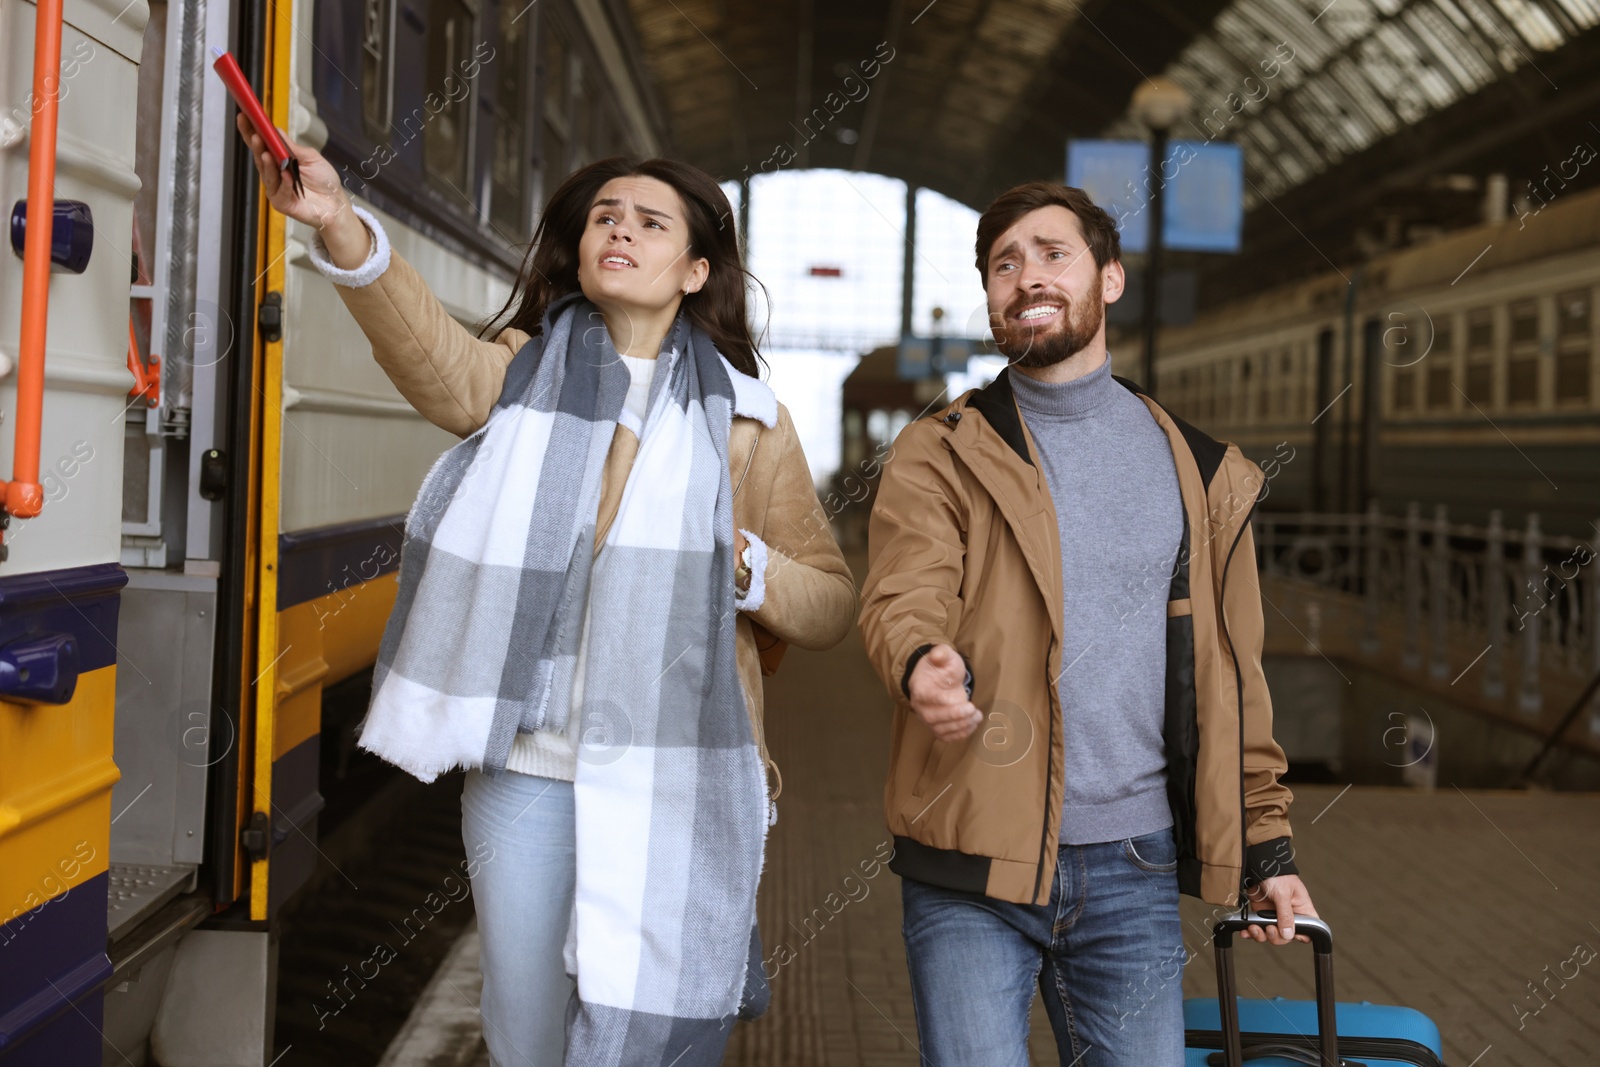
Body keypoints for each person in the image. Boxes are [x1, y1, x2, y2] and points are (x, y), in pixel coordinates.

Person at [236, 117, 856, 1067]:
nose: (621, 229)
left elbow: (830, 602)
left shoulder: (749, 421)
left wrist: (750, 569)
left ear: (696, 270)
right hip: (530, 768)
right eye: (606, 215)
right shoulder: (522, 377)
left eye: (653, 223)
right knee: (526, 1029)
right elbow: (429, 353)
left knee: (648, 1016)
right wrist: (340, 225)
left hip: (675, 768)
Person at [857, 181, 1317, 1067]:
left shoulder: (1207, 475)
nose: (1026, 275)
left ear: (1109, 279)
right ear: (991, 295)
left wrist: (1268, 846)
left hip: (1133, 869)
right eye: (1004, 262)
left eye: (1051, 253)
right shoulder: (942, 449)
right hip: (970, 860)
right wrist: (920, 659)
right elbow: (903, 587)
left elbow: (1235, 679)